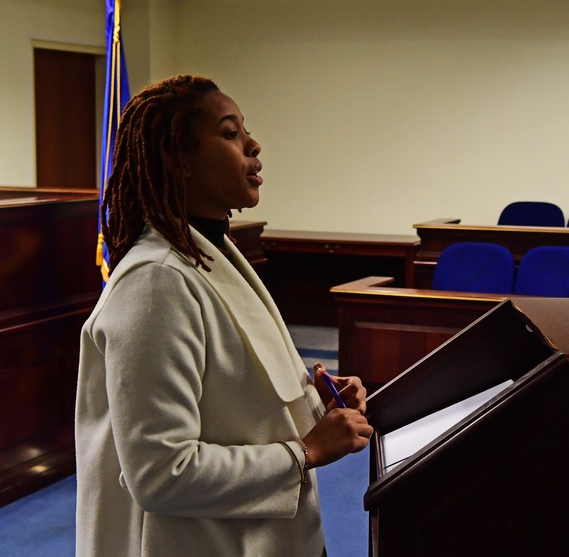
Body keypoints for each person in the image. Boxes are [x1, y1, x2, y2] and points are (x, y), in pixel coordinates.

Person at [75, 74, 373, 556]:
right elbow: (159, 473)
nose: (254, 146)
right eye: (231, 133)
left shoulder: (214, 249)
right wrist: (306, 452)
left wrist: (316, 401)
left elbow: (230, 397)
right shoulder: (156, 282)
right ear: (180, 159)